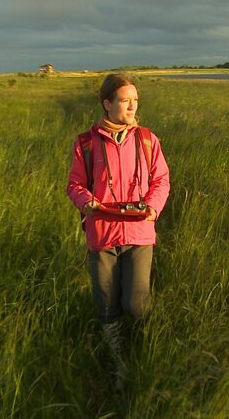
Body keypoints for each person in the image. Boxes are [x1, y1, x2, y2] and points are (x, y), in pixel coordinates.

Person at [66, 73, 170, 391]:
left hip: (139, 233)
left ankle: (145, 352)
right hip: (102, 235)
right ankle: (119, 365)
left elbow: (161, 180)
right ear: (107, 104)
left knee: (136, 305)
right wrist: (86, 202)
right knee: (107, 305)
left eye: (135, 100)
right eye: (125, 100)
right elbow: (74, 185)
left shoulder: (148, 139)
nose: (132, 106)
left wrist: (153, 206)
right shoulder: (86, 143)